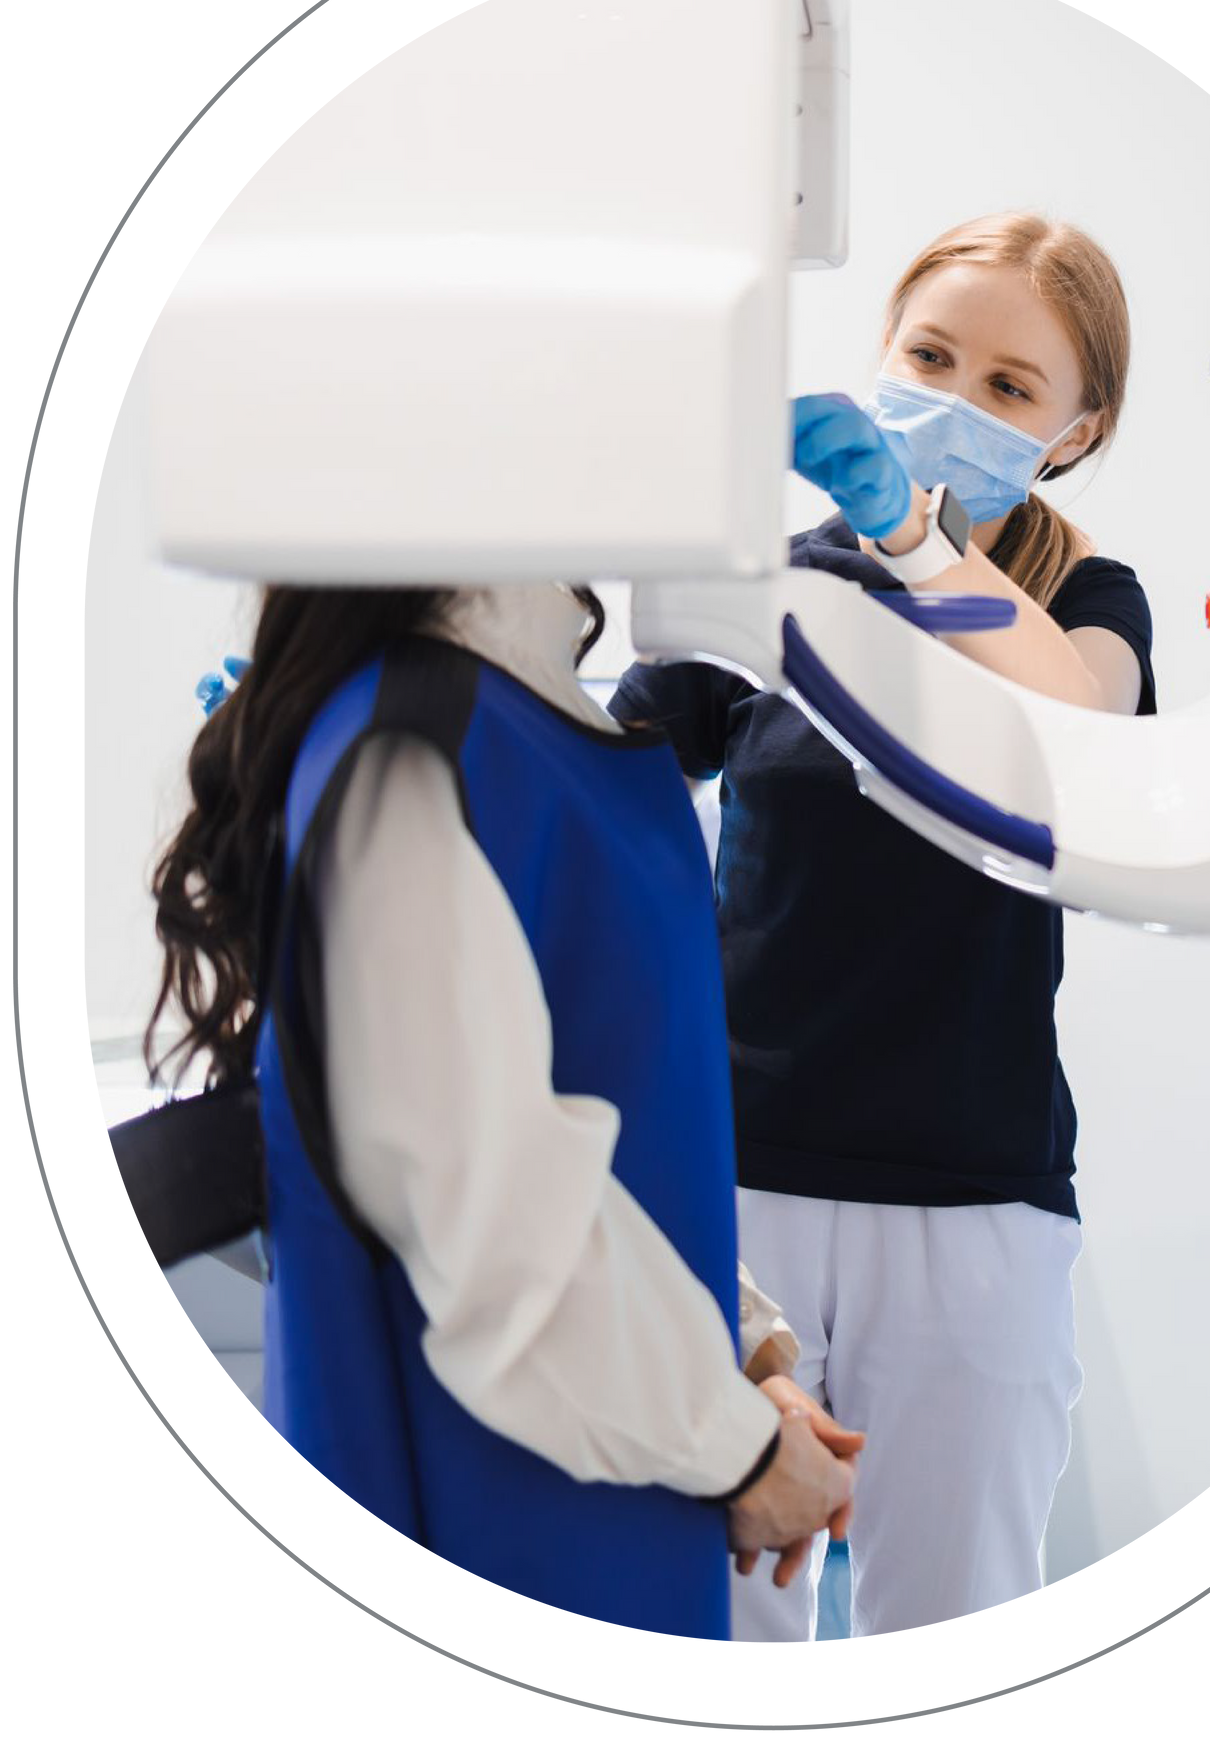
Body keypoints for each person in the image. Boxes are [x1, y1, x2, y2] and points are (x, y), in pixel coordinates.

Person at [610, 211, 1158, 1641]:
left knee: (955, 1619)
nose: (954, 397)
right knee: (718, 1623)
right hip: (745, 1181)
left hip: (973, 1200)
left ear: (1076, 431)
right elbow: (609, 768)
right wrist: (399, 714)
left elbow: (1082, 723)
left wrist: (913, 541)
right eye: (929, 356)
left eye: (1009, 386)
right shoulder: (778, 578)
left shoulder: (1083, 599)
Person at [146, 580, 866, 1641]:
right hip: (505, 1519)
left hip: (611, 1499)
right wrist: (737, 1447)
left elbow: (607, 1147)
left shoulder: (527, 718)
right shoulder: (419, 749)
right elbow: (499, 1235)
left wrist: (743, 1355)